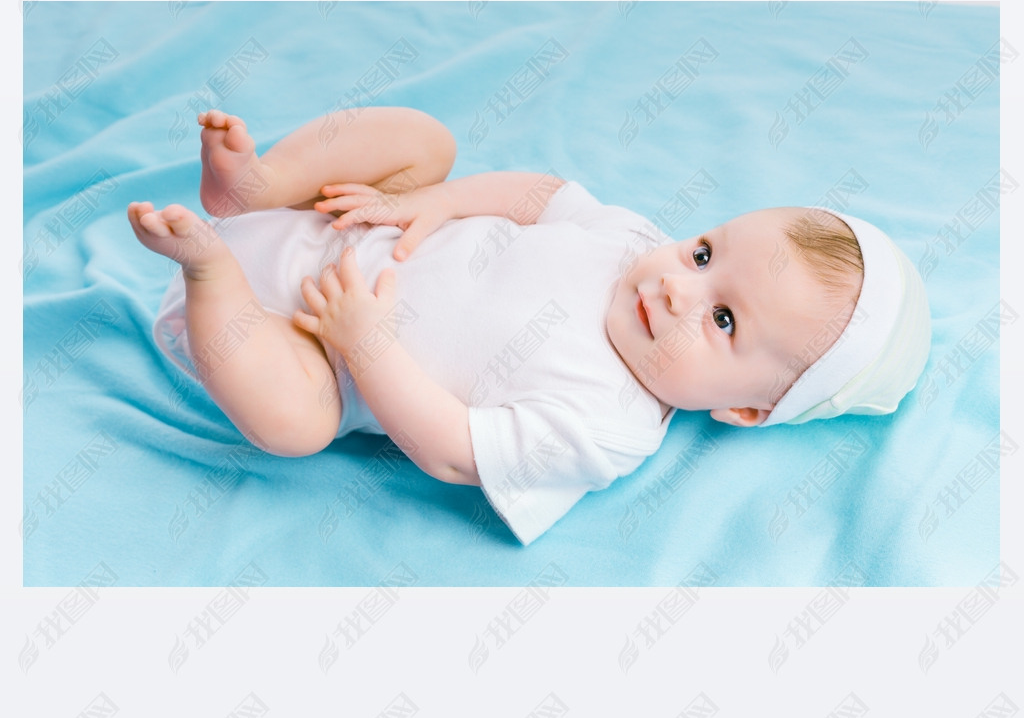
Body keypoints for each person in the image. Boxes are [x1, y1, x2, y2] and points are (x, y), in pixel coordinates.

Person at [129, 105, 931, 543]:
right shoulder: (633, 244)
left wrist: (362, 344)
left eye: (723, 318)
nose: (679, 288)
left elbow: (452, 451)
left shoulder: (607, 426)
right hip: (351, 218)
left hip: (298, 340)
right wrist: (432, 201)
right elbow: (540, 196)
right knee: (425, 142)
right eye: (704, 251)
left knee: (295, 422)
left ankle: (210, 271)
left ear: (746, 409)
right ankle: (257, 187)